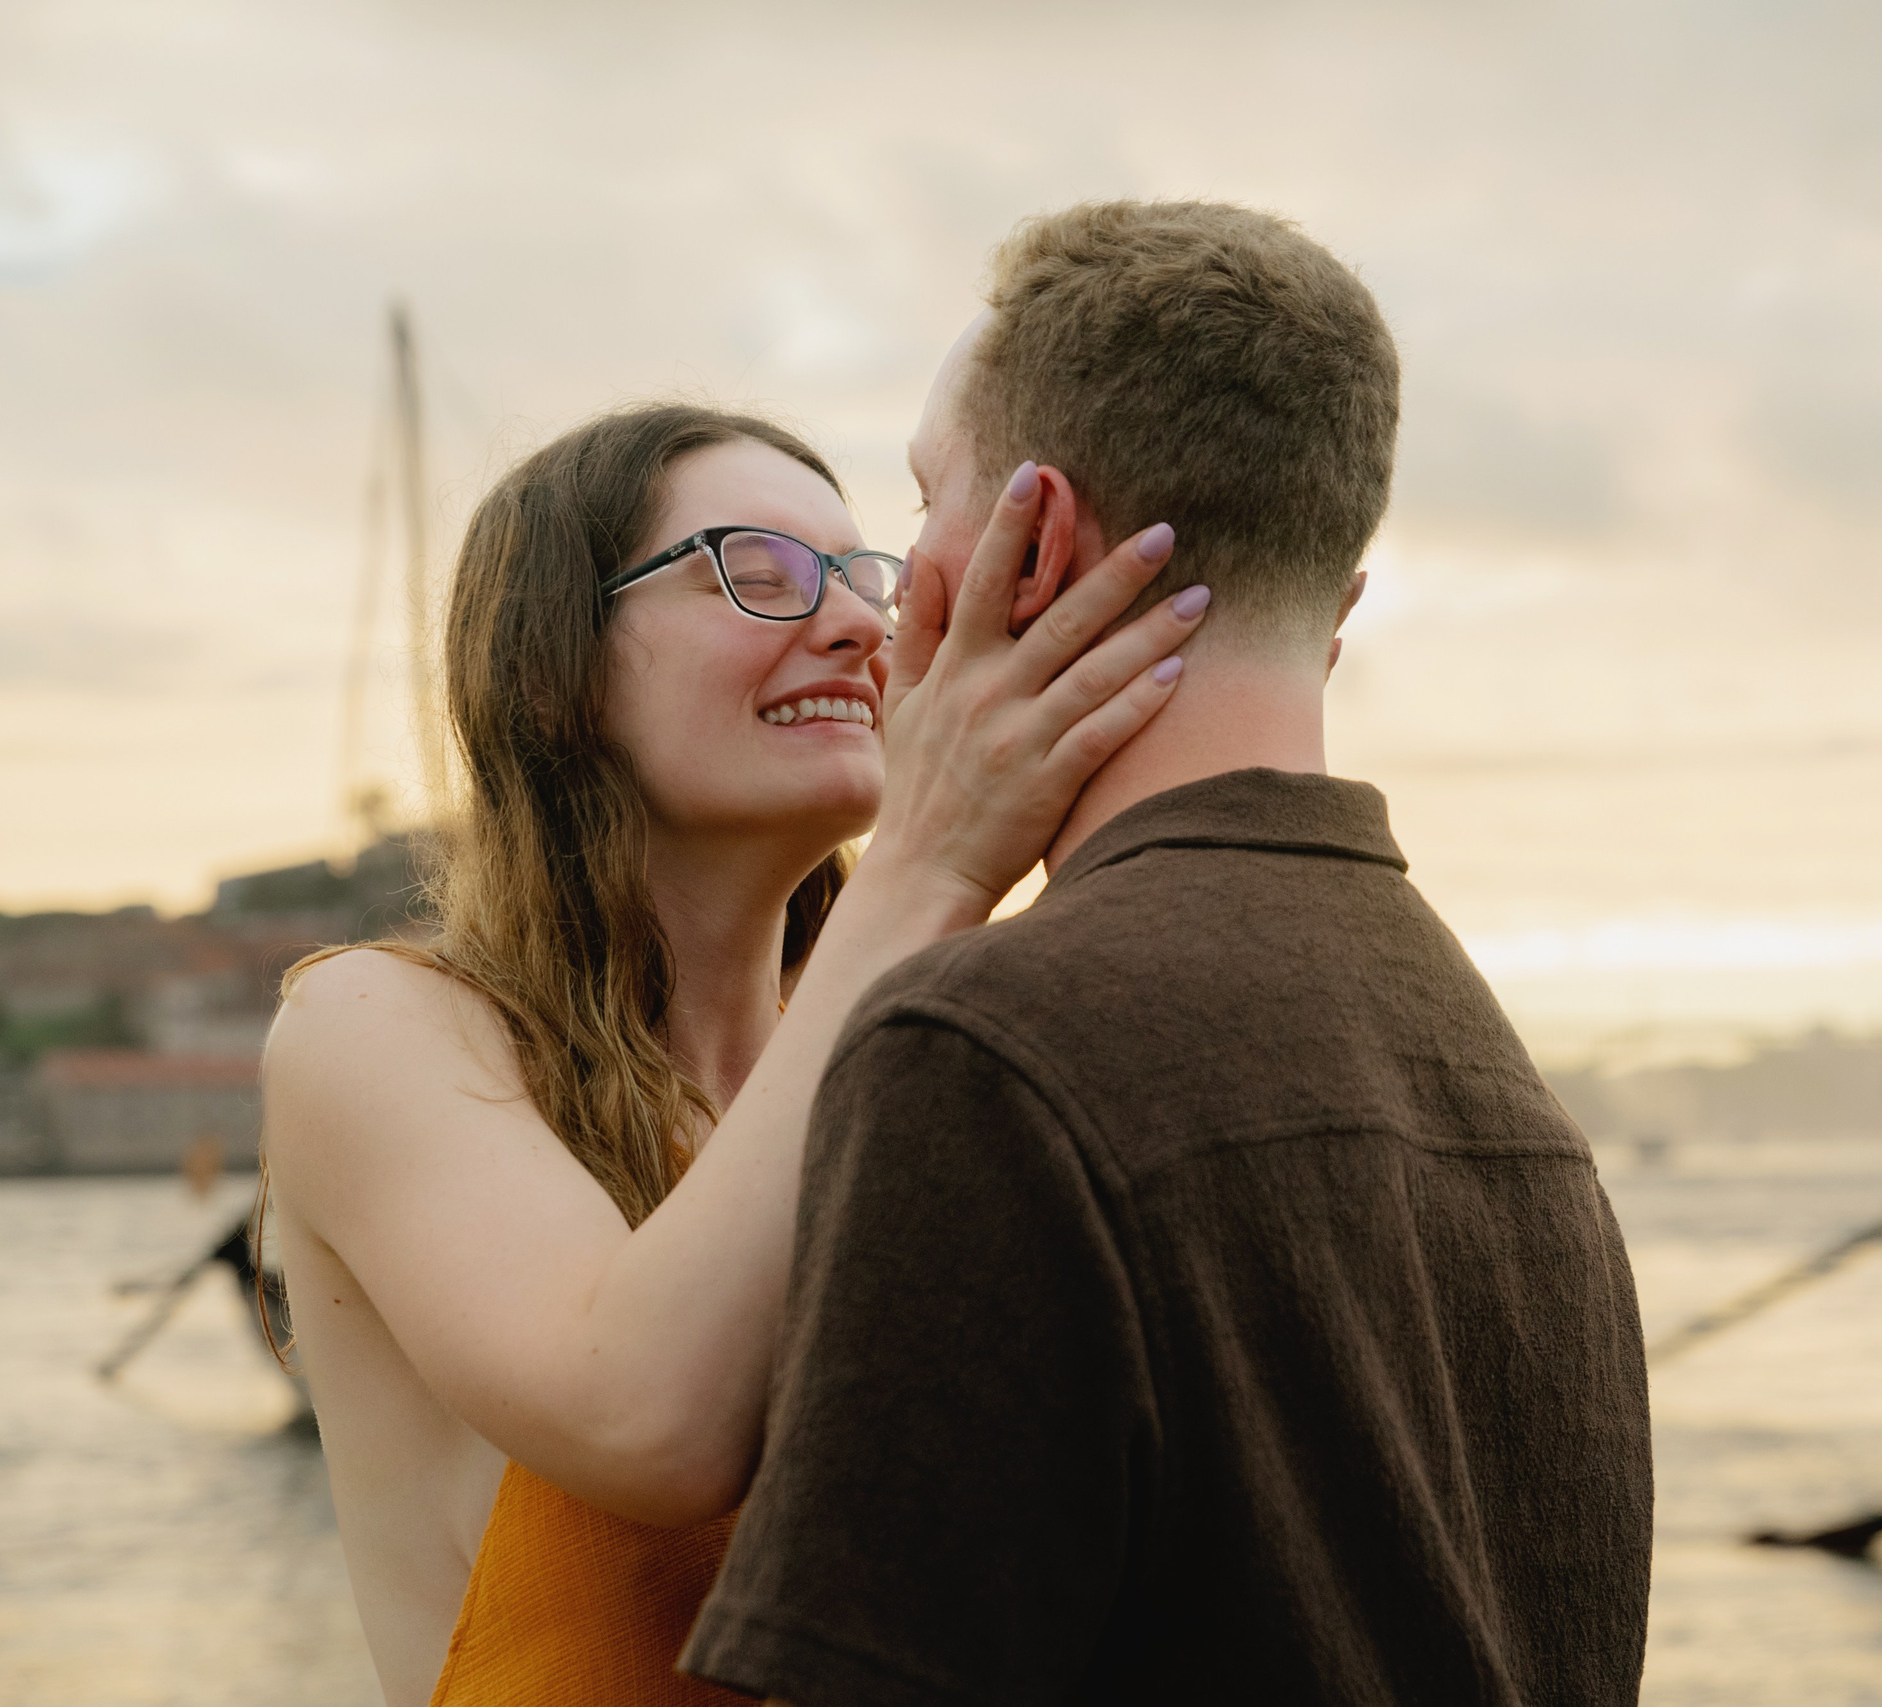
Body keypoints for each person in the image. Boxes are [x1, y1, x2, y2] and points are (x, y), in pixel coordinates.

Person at [683, 201, 1653, 1705]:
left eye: (932, 500)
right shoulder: (1512, 1105)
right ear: (1332, 604)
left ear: (1035, 546)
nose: (890, 599)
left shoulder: (987, 1049)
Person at [259, 402, 1207, 1707]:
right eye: (753, 577)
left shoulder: (916, 1041)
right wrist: (931, 864)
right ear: (552, 671)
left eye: (865, 578)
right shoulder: (371, 1031)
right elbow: (639, 1418)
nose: (857, 625)